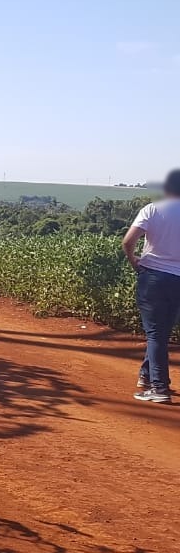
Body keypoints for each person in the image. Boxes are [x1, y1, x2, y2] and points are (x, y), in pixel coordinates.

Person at [123, 169, 180, 403]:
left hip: (154, 277)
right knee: (162, 331)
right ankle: (146, 377)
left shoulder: (152, 209)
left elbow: (128, 241)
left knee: (155, 332)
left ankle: (159, 388)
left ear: (166, 189)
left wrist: (134, 260)